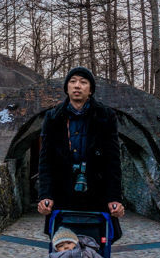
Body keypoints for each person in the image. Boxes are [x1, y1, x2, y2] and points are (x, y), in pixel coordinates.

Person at [37, 66, 125, 230]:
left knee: (96, 245)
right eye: (73, 82)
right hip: (63, 194)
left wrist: (114, 197)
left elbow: (113, 160)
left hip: (96, 193)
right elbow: (45, 161)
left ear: (90, 90)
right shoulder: (53, 117)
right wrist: (45, 195)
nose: (77, 86)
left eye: (83, 82)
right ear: (67, 88)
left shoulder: (106, 116)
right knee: (62, 248)